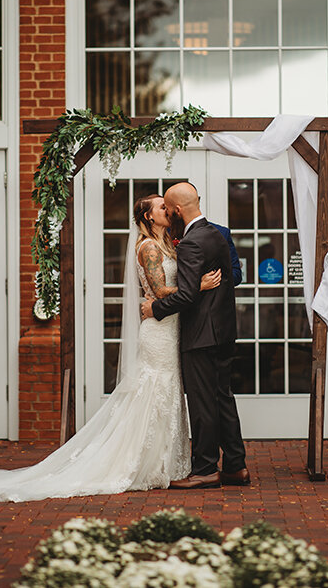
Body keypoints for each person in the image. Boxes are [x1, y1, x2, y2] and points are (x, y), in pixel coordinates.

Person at [0, 194, 221, 502]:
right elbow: (159, 293)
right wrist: (199, 287)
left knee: (165, 391)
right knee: (153, 391)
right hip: (158, 329)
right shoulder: (148, 249)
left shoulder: (166, 244)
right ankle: (141, 463)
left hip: (169, 328)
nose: (167, 211)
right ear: (147, 216)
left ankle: (162, 463)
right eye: (160, 207)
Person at [142, 182, 249, 489]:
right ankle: (236, 466)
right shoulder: (216, 234)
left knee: (203, 404)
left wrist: (156, 310)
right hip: (224, 331)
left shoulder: (190, 243)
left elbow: (188, 295)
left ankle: (205, 470)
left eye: (168, 208)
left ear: (177, 210)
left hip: (201, 335)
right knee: (223, 399)